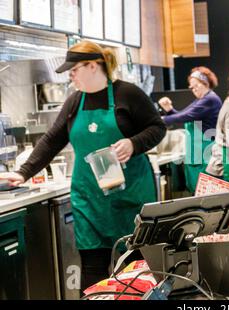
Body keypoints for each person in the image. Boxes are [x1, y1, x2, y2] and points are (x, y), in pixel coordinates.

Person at [0, 40, 166, 292]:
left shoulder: (127, 94)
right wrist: (23, 172)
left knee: (134, 267)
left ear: (92, 66)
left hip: (129, 198)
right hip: (90, 201)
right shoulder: (75, 102)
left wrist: (133, 144)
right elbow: (52, 140)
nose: (71, 76)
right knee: (92, 269)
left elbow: (157, 127)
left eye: (74, 70)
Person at [158, 67, 222, 193]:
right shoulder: (201, 100)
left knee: (204, 193)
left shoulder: (210, 99)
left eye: (196, 86)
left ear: (205, 83)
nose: (194, 90)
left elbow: (185, 116)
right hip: (197, 153)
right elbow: (185, 115)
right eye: (191, 88)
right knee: (198, 192)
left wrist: (159, 119)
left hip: (204, 154)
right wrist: (169, 109)